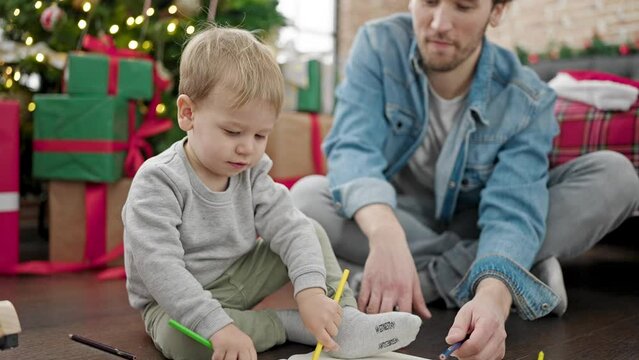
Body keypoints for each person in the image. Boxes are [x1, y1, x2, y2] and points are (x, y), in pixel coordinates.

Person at [290, 1, 639, 359]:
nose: (440, 23)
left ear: (497, 11)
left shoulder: (526, 96)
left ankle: (433, 283)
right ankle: (521, 268)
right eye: (428, 2)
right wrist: (386, 235)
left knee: (618, 177)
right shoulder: (378, 45)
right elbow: (352, 148)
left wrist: (492, 297)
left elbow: (514, 208)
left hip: (481, 226)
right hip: (399, 221)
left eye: (463, 6)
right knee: (306, 198)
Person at [122, 26, 422, 360]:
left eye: (260, 135)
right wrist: (218, 327)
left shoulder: (251, 170)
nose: (247, 149)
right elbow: (162, 270)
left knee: (307, 229)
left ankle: (343, 321)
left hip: (240, 275)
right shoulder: (158, 182)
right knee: (187, 344)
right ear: (187, 113)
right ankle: (285, 326)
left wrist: (310, 291)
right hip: (173, 302)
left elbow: (291, 227)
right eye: (233, 131)